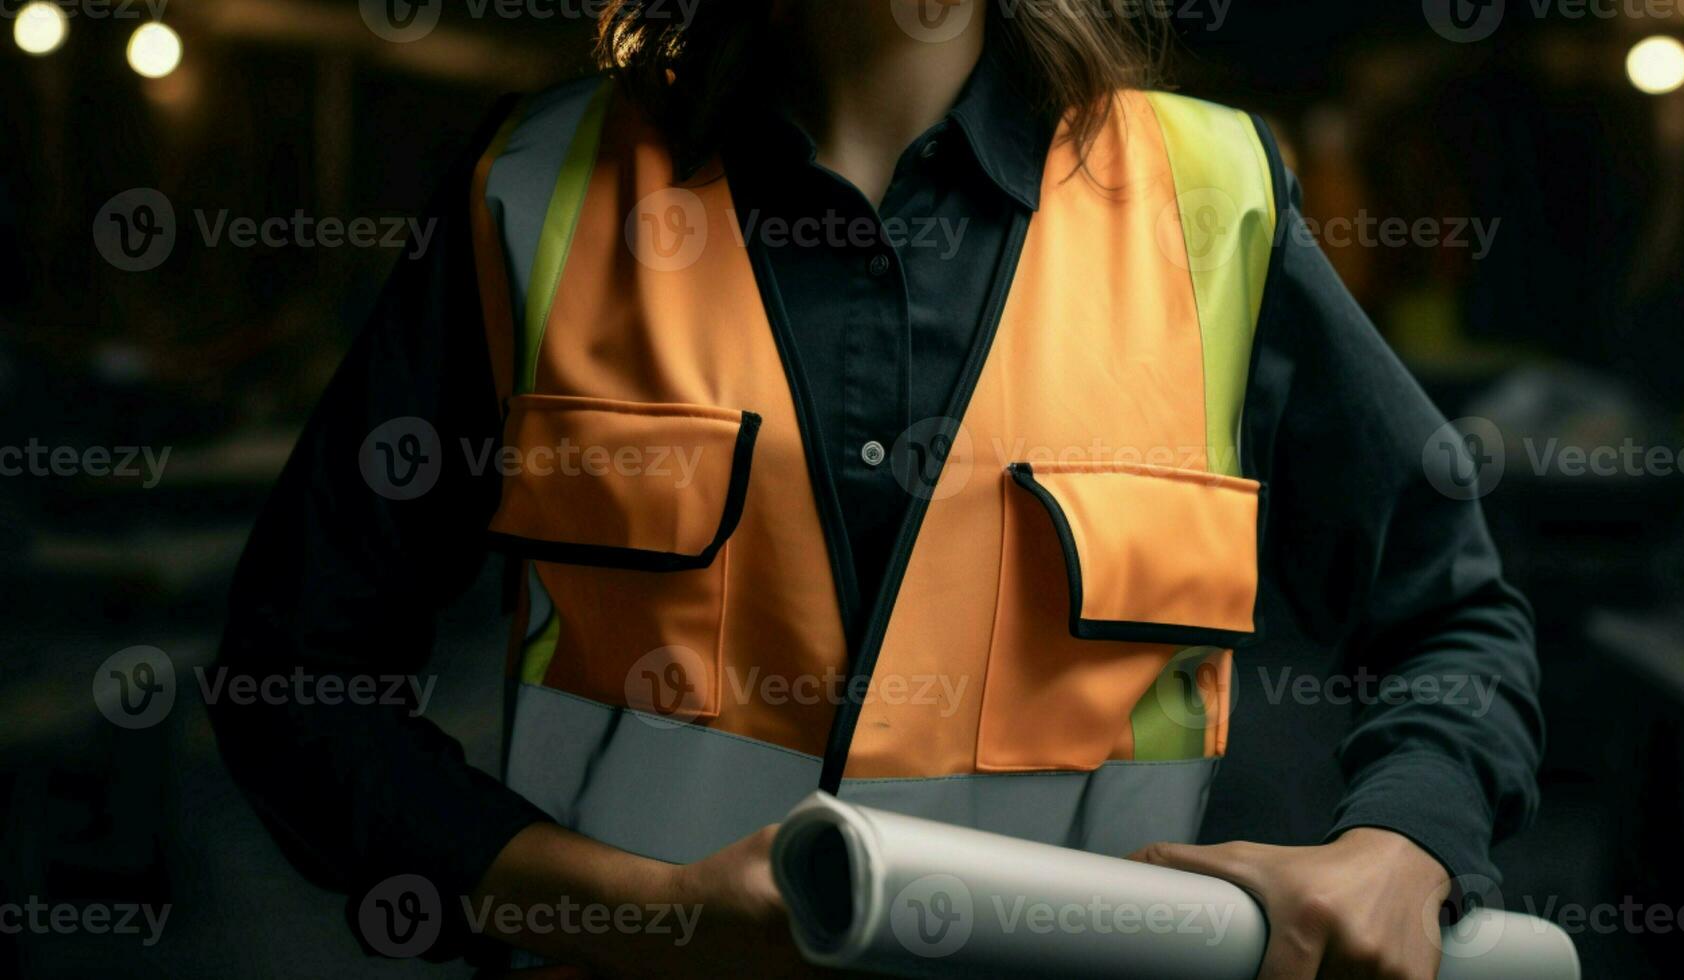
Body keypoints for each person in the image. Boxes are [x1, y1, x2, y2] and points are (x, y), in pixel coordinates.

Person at [213, 2, 1543, 977]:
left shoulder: (1210, 204)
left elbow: (1450, 617)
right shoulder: (534, 189)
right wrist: (623, 910)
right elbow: (295, 678)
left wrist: (1400, 846)